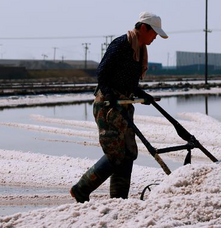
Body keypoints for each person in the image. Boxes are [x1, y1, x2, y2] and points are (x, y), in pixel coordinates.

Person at [70, 11, 168, 202]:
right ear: (143, 28)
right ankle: (81, 188)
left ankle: (118, 200)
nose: (155, 37)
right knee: (115, 154)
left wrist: (142, 94)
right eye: (154, 32)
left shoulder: (140, 50)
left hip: (124, 105)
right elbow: (102, 72)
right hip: (108, 107)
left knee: (128, 153)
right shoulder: (122, 44)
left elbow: (128, 83)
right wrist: (109, 96)